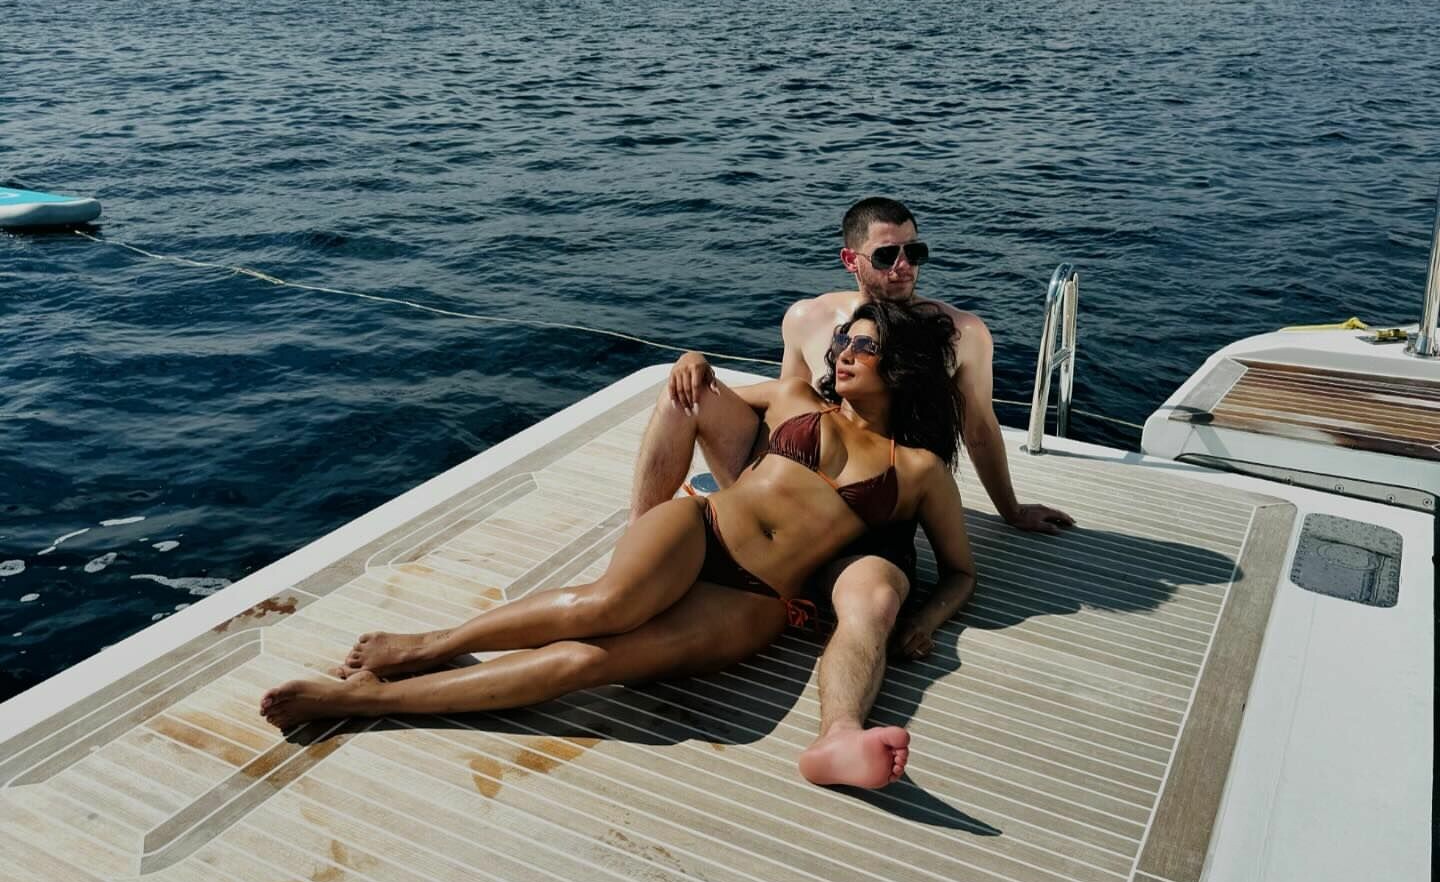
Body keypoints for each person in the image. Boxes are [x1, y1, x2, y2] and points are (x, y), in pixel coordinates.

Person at [259, 299, 976, 789]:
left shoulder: (917, 471)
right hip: (699, 528)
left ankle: (359, 702)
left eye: (864, 345)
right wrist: (691, 356)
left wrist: (928, 619)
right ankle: (429, 645)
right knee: (600, 605)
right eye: (843, 340)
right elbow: (705, 388)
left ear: (901, 364)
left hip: (753, 598)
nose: (843, 351)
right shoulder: (796, 399)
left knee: (586, 663)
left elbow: (960, 572)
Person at [629, 195, 1073, 788]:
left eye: (914, 251)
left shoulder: (960, 333)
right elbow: (786, 408)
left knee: (877, 604)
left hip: (873, 513)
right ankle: (639, 550)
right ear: (851, 260)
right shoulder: (808, 319)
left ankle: (840, 733)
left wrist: (1011, 510)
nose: (904, 266)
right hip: (792, 490)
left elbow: (981, 428)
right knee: (683, 392)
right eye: (887, 255)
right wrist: (694, 365)